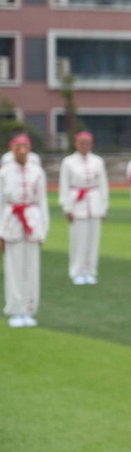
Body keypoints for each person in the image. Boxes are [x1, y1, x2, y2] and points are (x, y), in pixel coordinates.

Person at [1, 135, 48, 328]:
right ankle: (15, 309)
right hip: (11, 219)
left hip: (31, 217)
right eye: (18, 146)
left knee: (31, 268)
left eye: (25, 146)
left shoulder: (37, 171)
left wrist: (43, 228)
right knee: (14, 268)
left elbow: (42, 202)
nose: (22, 150)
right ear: (12, 149)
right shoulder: (4, 173)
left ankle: (29, 309)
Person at [60, 131, 109, 285]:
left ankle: (90, 271)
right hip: (77, 203)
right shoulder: (68, 162)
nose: (85, 145)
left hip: (93, 202)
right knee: (78, 241)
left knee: (93, 241)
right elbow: (64, 185)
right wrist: (67, 207)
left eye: (87, 142)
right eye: (82, 142)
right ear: (76, 143)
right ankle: (77, 271)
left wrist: (103, 207)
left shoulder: (98, 161)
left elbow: (103, 185)